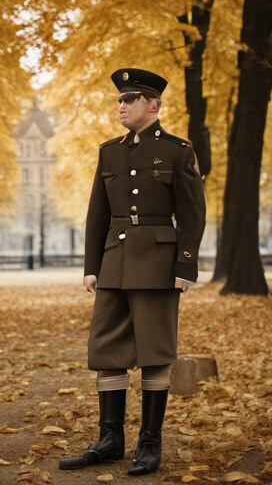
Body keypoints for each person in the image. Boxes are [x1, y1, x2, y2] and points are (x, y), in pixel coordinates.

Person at [58, 68, 206, 476]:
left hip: (159, 265)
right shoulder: (110, 150)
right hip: (113, 263)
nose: (121, 105)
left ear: (153, 105)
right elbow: (97, 214)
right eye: (119, 99)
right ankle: (110, 440)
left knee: (155, 353)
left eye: (130, 99)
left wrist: (186, 265)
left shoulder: (178, 150)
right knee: (107, 349)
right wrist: (92, 266)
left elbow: (194, 213)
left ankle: (150, 443)